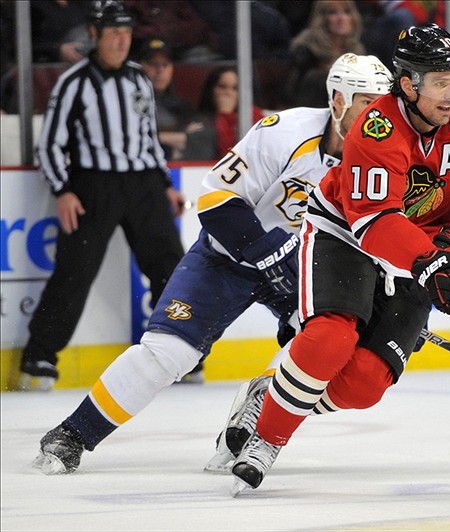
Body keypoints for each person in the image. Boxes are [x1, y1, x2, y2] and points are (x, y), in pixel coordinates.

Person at [30, 53, 393, 475]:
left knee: (335, 349)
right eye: (367, 103)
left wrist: (393, 306)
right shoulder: (285, 133)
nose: (378, 117)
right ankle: (74, 433)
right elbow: (216, 199)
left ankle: (258, 406)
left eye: (383, 106)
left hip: (305, 270)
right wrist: (267, 250)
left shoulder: (384, 159)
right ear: (338, 100)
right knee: (169, 352)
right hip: (228, 258)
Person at [229, 23, 450, 495]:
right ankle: (267, 439)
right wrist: (432, 264)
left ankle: (273, 395)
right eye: (440, 83)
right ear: (408, 84)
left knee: (364, 383)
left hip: (419, 246)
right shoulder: (375, 130)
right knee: (330, 338)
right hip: (345, 232)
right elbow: (375, 222)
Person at [18, 0, 186, 392]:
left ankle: (177, 350)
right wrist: (63, 191)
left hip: (143, 184)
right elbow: (50, 144)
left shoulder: (139, 77)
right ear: (95, 35)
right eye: (113, 33)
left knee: (171, 267)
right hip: (94, 186)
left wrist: (164, 183)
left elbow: (148, 138)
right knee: (75, 271)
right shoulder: (74, 82)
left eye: (126, 33)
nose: (122, 41)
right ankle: (39, 355)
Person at [285, 0, 366, 107]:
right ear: (321, 18)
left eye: (347, 12)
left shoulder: (357, 50)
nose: (341, 18)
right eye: (333, 13)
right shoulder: (305, 49)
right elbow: (293, 90)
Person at [182, 66, 266, 161]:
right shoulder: (201, 121)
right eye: (222, 87)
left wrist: (226, 115)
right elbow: (225, 159)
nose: (228, 93)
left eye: (235, 88)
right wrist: (224, 115)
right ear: (211, 90)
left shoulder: (254, 116)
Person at [138, 38, 196, 160]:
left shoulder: (182, 106)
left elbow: (196, 138)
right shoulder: (129, 104)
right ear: (140, 66)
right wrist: (179, 137)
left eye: (165, 65)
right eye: (153, 64)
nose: (160, 70)